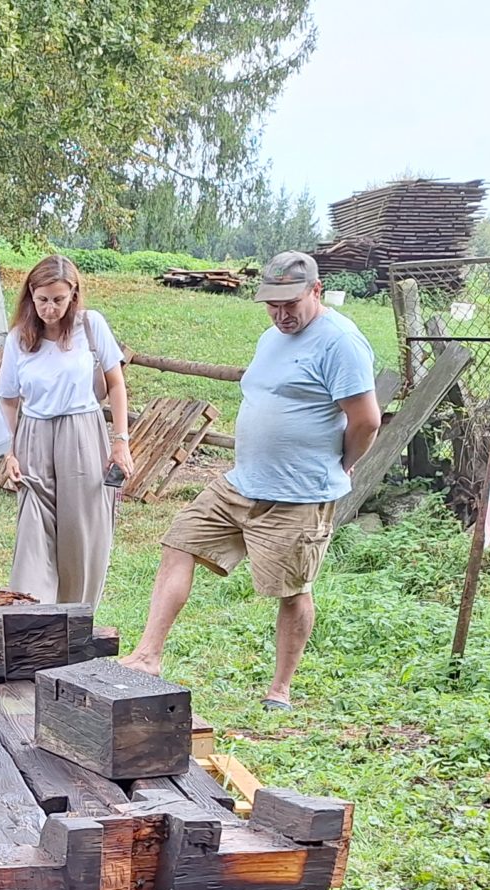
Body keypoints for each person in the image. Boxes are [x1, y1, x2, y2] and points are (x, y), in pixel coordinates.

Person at [131, 250, 380, 708]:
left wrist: (342, 464)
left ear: (317, 291)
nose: (282, 315)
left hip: (298, 494)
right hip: (241, 483)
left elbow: (366, 421)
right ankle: (147, 656)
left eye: (291, 304)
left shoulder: (340, 343)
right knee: (179, 540)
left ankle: (280, 688)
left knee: (292, 590)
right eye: (273, 305)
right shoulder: (271, 337)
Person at [0, 255, 131, 610]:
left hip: (82, 433)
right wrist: (10, 450)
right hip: (33, 436)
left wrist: (121, 442)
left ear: (73, 295)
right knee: (32, 535)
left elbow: (116, 385)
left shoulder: (91, 326)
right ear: (30, 295)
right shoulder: (18, 338)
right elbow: (8, 399)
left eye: (58, 299)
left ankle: (76, 617)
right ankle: (32, 616)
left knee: (81, 533)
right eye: (42, 299)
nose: (50, 308)